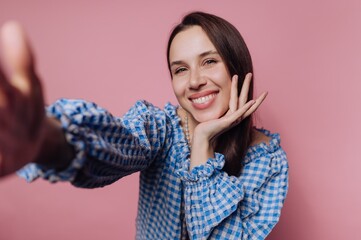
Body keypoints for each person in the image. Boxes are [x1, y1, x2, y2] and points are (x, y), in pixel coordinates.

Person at [0, 11, 288, 240]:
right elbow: (120, 144)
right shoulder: (160, 127)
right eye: (180, 69)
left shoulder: (267, 162)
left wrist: (202, 145)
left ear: (237, 67)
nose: (195, 80)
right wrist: (50, 140)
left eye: (209, 61)